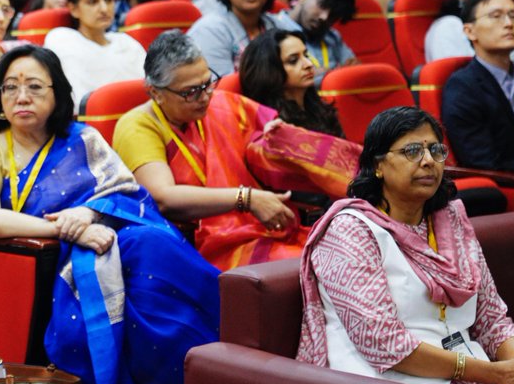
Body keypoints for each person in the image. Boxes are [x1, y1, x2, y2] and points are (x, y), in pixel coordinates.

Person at [0, 46, 219, 384]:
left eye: (35, 87)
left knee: (150, 246)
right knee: (142, 287)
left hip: (112, 239)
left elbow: (125, 193)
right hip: (51, 264)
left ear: (58, 96)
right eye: (10, 88)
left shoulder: (83, 139)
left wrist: (87, 214)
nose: (21, 97)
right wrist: (69, 229)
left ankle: (211, 368)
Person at [298, 107, 514, 384]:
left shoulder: (450, 220)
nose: (428, 161)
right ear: (378, 165)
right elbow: (384, 344)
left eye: (435, 150)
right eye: (412, 151)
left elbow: (491, 320)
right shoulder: (350, 230)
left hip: (472, 377)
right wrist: (496, 375)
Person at [113, 30, 351, 270]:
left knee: (339, 255)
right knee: (305, 267)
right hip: (190, 245)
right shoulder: (138, 126)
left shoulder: (222, 104)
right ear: (156, 92)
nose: (205, 96)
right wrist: (246, 199)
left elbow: (264, 132)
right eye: (191, 92)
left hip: (255, 229)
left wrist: (272, 138)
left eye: (208, 82)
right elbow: (164, 197)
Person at [441, 0, 514, 171]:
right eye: (496, 16)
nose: (509, 24)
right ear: (469, 31)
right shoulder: (463, 88)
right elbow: (482, 161)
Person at [44, 0, 146, 107]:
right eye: (93, 1)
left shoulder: (127, 42)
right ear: (73, 9)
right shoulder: (62, 40)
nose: (104, 9)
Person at [239, 29, 344, 136]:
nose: (309, 64)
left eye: (306, 55)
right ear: (270, 71)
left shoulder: (320, 109)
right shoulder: (272, 125)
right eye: (293, 60)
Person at [271, 0, 357, 80]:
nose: (325, 17)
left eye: (333, 15)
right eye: (322, 5)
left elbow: (354, 70)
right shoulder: (271, 28)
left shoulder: (332, 36)